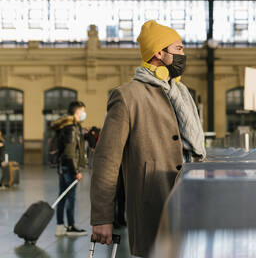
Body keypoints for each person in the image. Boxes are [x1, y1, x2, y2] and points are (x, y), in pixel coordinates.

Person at [90, 20, 206, 257]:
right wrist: (102, 217)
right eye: (179, 49)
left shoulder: (180, 93)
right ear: (159, 53)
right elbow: (106, 160)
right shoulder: (127, 96)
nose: (184, 54)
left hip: (191, 198)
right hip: (153, 200)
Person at [52, 101, 88, 237]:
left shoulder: (65, 126)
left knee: (62, 196)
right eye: (83, 111)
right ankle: (71, 226)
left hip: (63, 166)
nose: (84, 114)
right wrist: (76, 171)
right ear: (77, 111)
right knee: (70, 198)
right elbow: (70, 152)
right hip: (69, 167)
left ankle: (60, 226)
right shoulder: (71, 128)